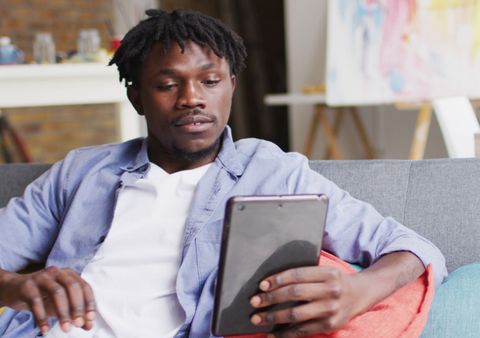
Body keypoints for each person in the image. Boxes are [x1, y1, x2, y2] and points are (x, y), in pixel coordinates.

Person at [0, 9, 446, 338]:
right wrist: (18, 287)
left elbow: (414, 248)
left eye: (210, 81)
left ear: (231, 85)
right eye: (167, 84)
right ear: (137, 97)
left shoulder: (274, 172)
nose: (192, 98)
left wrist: (359, 292)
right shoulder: (80, 171)